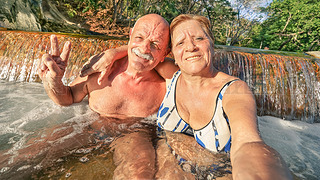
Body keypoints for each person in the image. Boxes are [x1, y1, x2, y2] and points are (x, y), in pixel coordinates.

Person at [83, 14, 293, 179]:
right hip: (170, 165)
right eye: (181, 43)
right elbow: (141, 51)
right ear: (171, 52)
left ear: (211, 42)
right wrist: (112, 53)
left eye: (199, 38)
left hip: (220, 172)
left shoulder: (234, 90)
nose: (191, 47)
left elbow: (248, 143)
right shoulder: (171, 75)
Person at [38, 13, 171, 179]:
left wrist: (116, 51)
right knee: (29, 153)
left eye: (155, 45)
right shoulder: (101, 67)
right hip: (88, 125)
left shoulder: (168, 85)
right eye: (139, 37)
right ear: (130, 36)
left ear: (165, 53)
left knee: (139, 173)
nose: (144, 48)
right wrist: (54, 81)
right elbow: (68, 98)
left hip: (135, 133)